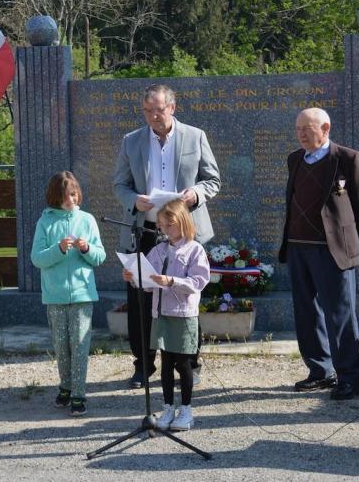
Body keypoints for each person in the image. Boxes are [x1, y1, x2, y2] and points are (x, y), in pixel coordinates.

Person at [112, 83, 220, 389]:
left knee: (184, 297)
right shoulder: (131, 141)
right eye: (147, 111)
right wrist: (134, 200)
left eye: (158, 110)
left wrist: (195, 193)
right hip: (144, 231)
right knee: (140, 301)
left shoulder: (194, 136)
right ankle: (143, 365)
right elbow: (119, 184)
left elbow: (213, 179)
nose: (153, 117)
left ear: (172, 108)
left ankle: (190, 362)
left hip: (183, 233)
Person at [278, 108, 359, 401]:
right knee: (306, 312)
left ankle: (349, 376)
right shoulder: (295, 159)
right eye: (298, 129)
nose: (302, 134)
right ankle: (320, 370)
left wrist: (347, 242)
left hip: (331, 251)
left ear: (326, 127)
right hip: (298, 247)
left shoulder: (349, 159)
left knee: (339, 314)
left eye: (307, 128)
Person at [123, 199, 209, 431]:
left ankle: (187, 409)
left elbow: (198, 282)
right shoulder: (158, 250)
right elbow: (148, 283)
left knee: (183, 363)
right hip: (160, 313)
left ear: (182, 222)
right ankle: (169, 406)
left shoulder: (194, 249)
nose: (164, 229)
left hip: (182, 314)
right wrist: (133, 277)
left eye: (169, 224)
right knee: (166, 362)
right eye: (161, 225)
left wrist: (172, 281)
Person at [30, 171, 106, 417]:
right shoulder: (45, 222)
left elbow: (100, 256)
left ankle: (78, 393)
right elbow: (37, 258)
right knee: (62, 348)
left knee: (80, 346)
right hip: (55, 296)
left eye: (73, 195)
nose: (71, 201)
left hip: (83, 294)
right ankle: (65, 385)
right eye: (65, 197)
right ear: (55, 198)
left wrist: (86, 248)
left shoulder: (87, 220)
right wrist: (59, 248)